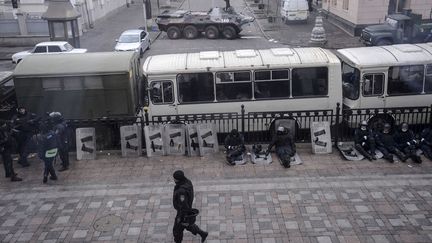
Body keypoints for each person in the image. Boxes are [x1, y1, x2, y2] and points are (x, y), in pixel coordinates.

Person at [172, 170, 208, 243]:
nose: (174, 180)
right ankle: (203, 233)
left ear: (177, 179)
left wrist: (182, 217)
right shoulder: (187, 182)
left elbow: (183, 205)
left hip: (182, 212)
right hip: (187, 209)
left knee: (177, 230)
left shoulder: (181, 191)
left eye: (174, 179)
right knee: (187, 225)